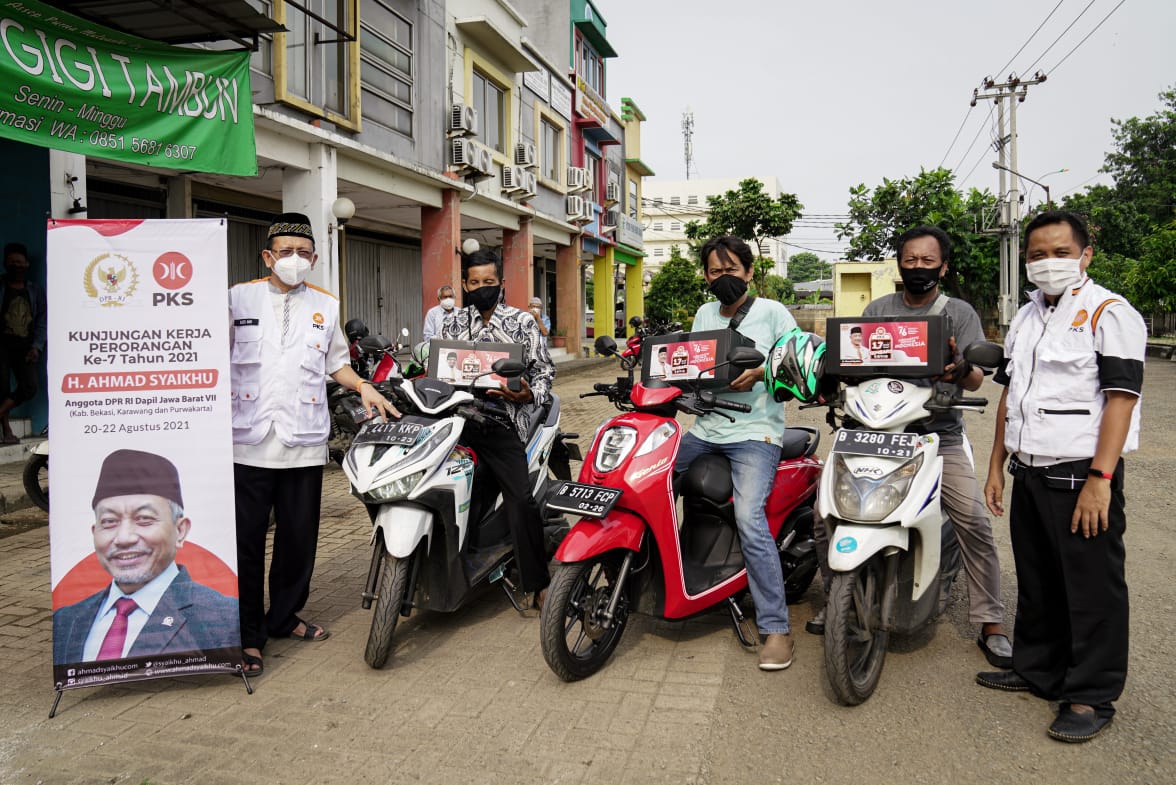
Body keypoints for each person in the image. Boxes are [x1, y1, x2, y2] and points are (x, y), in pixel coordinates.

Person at [808, 226, 1012, 669]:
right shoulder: (879, 309)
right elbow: (854, 361)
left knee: (973, 520)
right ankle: (836, 597)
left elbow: (977, 377)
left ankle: (991, 620)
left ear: (943, 266)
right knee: (824, 516)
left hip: (937, 434)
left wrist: (959, 369)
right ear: (899, 262)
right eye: (909, 259)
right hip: (873, 430)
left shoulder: (957, 312)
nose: (917, 267)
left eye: (927, 261)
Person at [978, 210, 1145, 743]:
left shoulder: (1109, 312)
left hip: (1079, 473)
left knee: (1090, 586)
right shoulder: (1027, 318)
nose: (1048, 264)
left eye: (1060, 253)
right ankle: (1038, 670)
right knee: (1040, 577)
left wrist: (1101, 478)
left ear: (1085, 256)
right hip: (1029, 469)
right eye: (1037, 255)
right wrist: (997, 464)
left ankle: (1089, 694)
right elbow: (1012, 393)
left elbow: (1121, 399)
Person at [230, 212, 398, 675]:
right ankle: (248, 635)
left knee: (298, 539)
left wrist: (363, 385)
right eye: (285, 252)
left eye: (304, 253)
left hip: (303, 439)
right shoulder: (236, 298)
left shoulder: (325, 304)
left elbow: (336, 364)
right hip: (246, 440)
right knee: (245, 542)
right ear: (268, 256)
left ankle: (283, 618)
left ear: (315, 258)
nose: (295, 260)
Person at [676, 235, 799, 671]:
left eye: (731, 270)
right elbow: (694, 361)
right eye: (714, 271)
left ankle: (776, 628)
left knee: (750, 517)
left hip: (755, 432)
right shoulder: (705, 312)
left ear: (748, 272)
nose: (722, 278)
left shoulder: (773, 312)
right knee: (648, 480)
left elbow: (800, 358)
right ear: (705, 276)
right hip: (707, 427)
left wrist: (762, 369)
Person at [440, 247, 554, 607]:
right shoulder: (453, 323)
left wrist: (525, 395)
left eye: (489, 282)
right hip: (456, 420)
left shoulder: (521, 322)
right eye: (475, 282)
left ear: (501, 283)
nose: (482, 287)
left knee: (521, 500)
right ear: (464, 284)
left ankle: (537, 582)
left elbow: (545, 372)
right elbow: (438, 367)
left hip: (503, 420)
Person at [53, 450, 238, 663]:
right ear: (94, 532)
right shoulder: (66, 620)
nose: (124, 538)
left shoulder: (222, 616)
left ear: (180, 530)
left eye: (144, 519)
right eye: (109, 522)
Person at [0, 243, 46, 444]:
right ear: (5, 264)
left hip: (26, 348)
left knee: (30, 386)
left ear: (27, 264)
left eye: (19, 262)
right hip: (1, 346)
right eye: (12, 263)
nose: (16, 266)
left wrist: (37, 346)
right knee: (1, 387)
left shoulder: (35, 290)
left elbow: (43, 320)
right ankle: (7, 431)